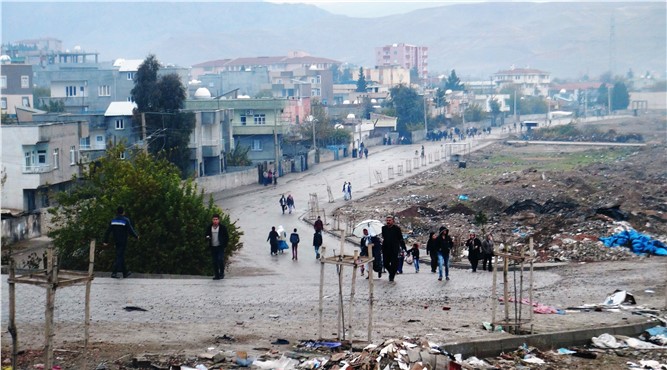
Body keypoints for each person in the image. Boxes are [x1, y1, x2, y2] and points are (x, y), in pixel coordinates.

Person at [103, 206, 139, 279]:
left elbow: (108, 231)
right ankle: (114, 272)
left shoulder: (113, 220)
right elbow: (130, 230)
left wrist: (105, 241)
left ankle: (125, 272)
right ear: (123, 212)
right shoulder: (125, 220)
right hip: (123, 240)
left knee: (120, 255)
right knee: (119, 256)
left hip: (116, 240)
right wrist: (136, 236)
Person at [381, 215, 406, 282]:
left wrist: (404, 248)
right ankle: (392, 272)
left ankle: (391, 276)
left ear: (393, 221)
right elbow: (383, 238)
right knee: (385, 263)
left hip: (394, 249)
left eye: (389, 220)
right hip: (386, 248)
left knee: (394, 264)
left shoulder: (397, 229)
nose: (388, 222)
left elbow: (400, 239)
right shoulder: (383, 228)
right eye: (387, 220)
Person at [205, 213, 229, 280]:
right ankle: (217, 275)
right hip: (213, 246)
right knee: (214, 261)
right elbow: (206, 235)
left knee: (220, 259)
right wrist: (207, 237)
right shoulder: (209, 227)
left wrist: (224, 245)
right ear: (212, 220)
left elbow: (226, 237)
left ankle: (221, 273)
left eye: (216, 219)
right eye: (214, 219)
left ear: (219, 220)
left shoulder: (222, 227)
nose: (215, 221)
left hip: (220, 246)